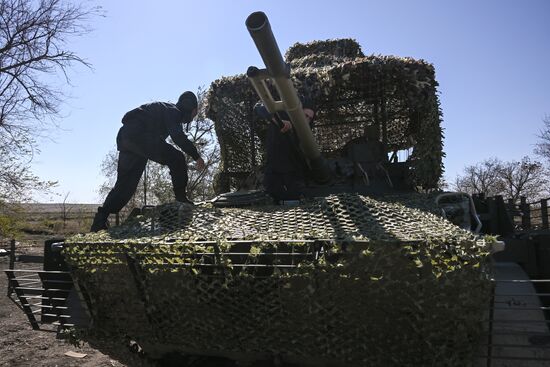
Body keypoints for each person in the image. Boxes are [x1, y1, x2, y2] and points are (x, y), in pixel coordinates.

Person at [90, 91, 206, 232]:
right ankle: (181, 198)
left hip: (126, 138)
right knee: (177, 158)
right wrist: (196, 156)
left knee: (125, 184)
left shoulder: (168, 110)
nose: (193, 118)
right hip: (140, 136)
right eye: (194, 113)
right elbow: (177, 136)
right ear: (191, 109)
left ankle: (100, 220)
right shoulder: (173, 111)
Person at [254, 96, 315, 204]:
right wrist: (276, 119)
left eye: (310, 118)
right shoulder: (282, 116)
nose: (307, 120)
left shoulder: (306, 132)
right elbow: (259, 107)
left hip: (293, 174)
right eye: (305, 115)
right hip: (274, 170)